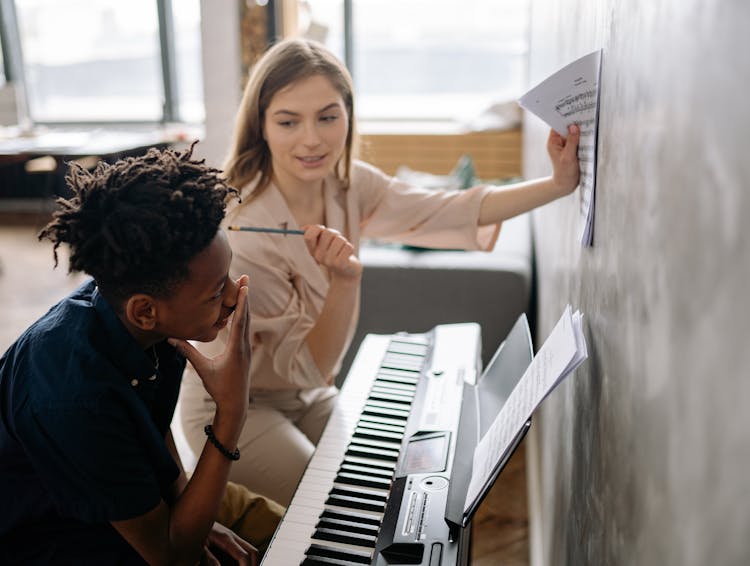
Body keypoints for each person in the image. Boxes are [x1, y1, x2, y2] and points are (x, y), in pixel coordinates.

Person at [178, 38, 582, 506]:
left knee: (394, 480)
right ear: (262, 126)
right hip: (232, 407)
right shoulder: (244, 228)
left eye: (328, 116)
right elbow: (312, 365)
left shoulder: (351, 185)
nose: (312, 139)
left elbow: (450, 209)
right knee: (347, 505)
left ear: (348, 116)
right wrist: (346, 281)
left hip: (304, 394)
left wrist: (557, 185)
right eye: (289, 121)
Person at [0, 145, 284, 565]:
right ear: (145, 311)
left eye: (227, 277)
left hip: (122, 496)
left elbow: (150, 428)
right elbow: (172, 557)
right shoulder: (74, 399)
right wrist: (230, 412)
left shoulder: (146, 323)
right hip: (49, 537)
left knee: (277, 523)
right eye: (214, 293)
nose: (232, 297)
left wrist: (191, 510)